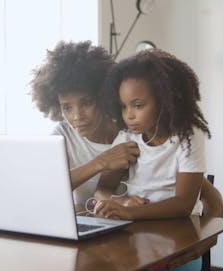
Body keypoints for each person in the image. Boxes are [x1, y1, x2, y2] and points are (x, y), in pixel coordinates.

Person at [94, 48, 212, 271]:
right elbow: (102, 190)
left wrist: (131, 213)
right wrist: (124, 202)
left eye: (138, 106)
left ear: (165, 100)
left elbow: (184, 205)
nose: (129, 115)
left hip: (179, 240)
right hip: (136, 236)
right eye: (124, 106)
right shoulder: (128, 138)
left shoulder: (188, 135)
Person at [29, 41, 140, 205]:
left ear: (103, 97)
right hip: (82, 223)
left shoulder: (131, 130)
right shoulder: (62, 136)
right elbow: (45, 188)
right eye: (67, 107)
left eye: (86, 103)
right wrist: (100, 162)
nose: (77, 116)